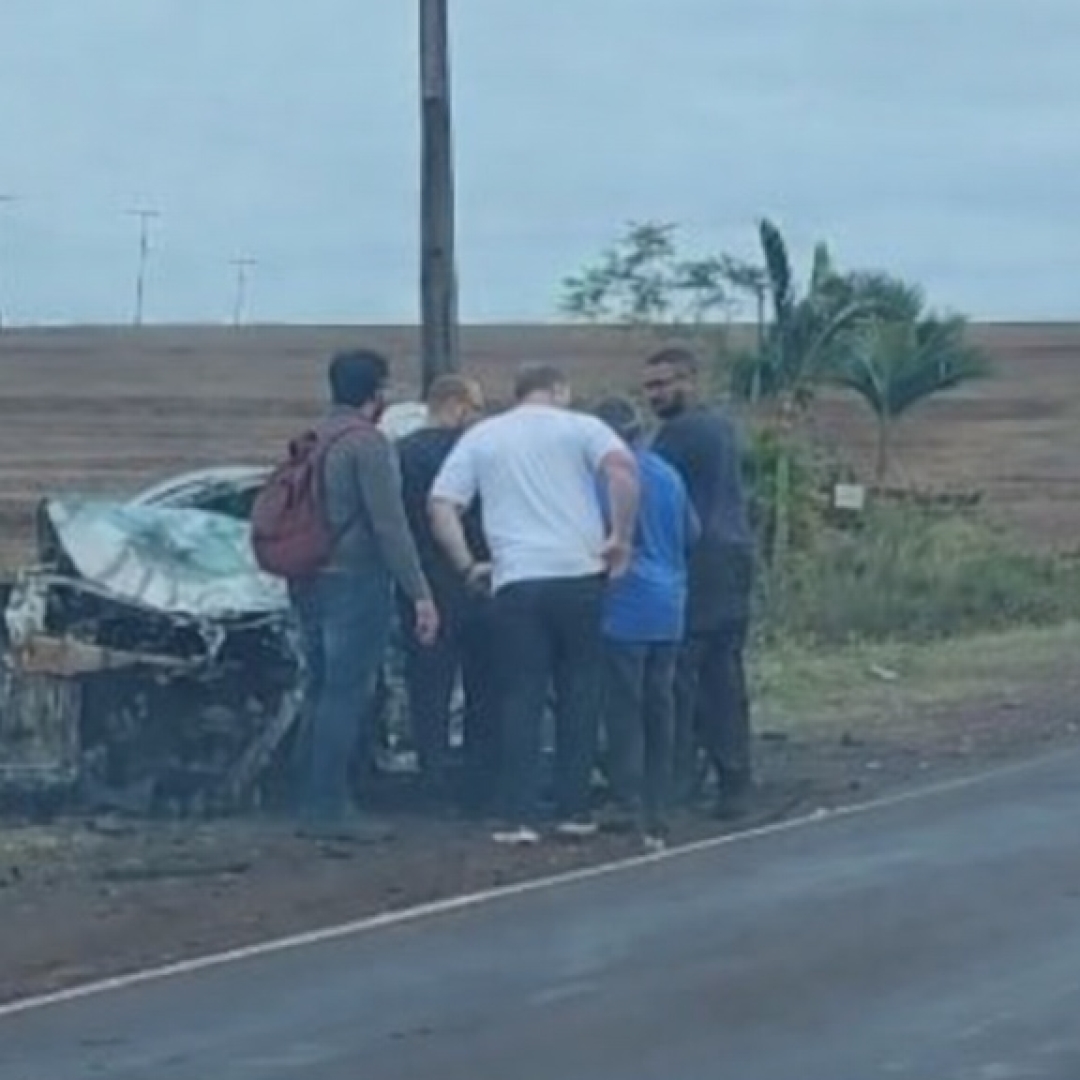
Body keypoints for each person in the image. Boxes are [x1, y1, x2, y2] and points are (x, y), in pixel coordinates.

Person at [429, 364, 639, 845]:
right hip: (579, 573)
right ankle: (574, 810)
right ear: (559, 390)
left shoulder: (485, 435)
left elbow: (441, 503)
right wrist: (620, 538)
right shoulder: (584, 426)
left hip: (517, 578)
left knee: (521, 694)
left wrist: (467, 564)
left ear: (517, 394)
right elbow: (623, 470)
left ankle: (517, 813)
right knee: (580, 692)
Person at [290, 349, 438, 830]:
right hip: (354, 580)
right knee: (345, 693)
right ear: (378, 392)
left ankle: (308, 797)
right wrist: (419, 592)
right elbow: (390, 527)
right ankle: (329, 807)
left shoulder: (313, 439)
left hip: (307, 577)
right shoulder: (368, 445)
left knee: (318, 688)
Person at [642, 346, 756, 819]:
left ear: (690, 380)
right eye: (650, 386)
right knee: (724, 674)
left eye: (664, 384)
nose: (655, 394)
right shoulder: (721, 426)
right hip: (733, 555)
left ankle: (680, 779)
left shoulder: (678, 435)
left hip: (699, 564)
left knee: (683, 675)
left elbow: (650, 492)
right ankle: (734, 778)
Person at [593, 396, 698, 852]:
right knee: (661, 703)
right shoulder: (668, 474)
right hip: (670, 603)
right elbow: (693, 532)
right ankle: (663, 794)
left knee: (624, 706)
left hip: (625, 603)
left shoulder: (607, 478)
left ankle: (626, 797)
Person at [396, 374, 497, 812]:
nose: (478, 417)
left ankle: (432, 779)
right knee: (485, 686)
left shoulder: (401, 454)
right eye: (475, 408)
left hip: (422, 586)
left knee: (429, 689)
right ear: (455, 405)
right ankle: (481, 782)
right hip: (478, 580)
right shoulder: (477, 452)